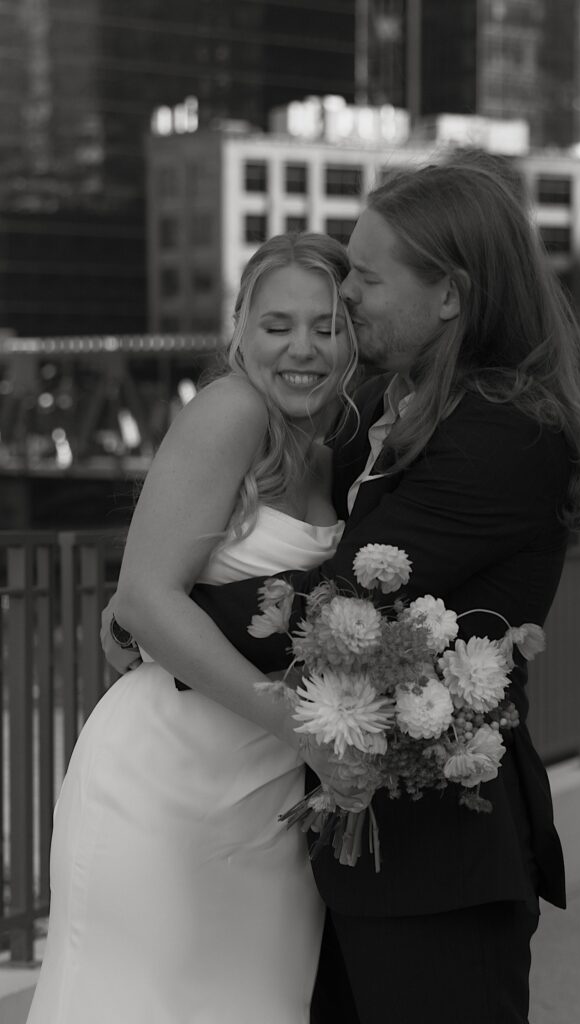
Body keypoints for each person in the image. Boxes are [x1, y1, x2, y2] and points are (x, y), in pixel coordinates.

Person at [104, 155, 580, 1023]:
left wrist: (158, 605)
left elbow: (336, 608)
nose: (348, 299)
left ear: (450, 295)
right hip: (339, 854)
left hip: (440, 861)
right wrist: (159, 582)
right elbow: (289, 532)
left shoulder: (505, 435)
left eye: (367, 280)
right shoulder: (392, 408)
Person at [27, 232, 360, 1024]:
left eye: (328, 325)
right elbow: (145, 600)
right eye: (278, 324)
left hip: (269, 798)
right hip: (163, 784)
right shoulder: (230, 408)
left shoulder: (337, 441)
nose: (304, 348)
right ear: (239, 326)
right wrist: (302, 726)